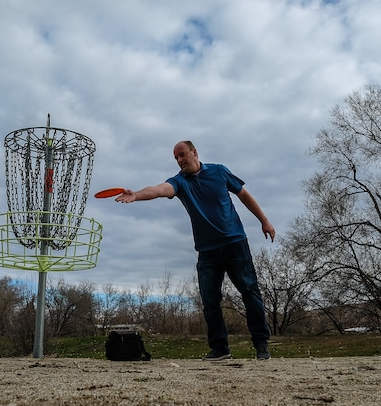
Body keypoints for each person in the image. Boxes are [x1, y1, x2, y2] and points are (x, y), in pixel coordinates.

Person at [115, 140, 275, 360]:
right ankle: (220, 348)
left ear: (194, 153)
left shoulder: (219, 171)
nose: (180, 160)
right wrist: (137, 195)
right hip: (207, 251)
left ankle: (261, 345)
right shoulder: (180, 182)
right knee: (209, 300)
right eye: (176, 158)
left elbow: (244, 195)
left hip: (235, 243)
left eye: (182, 155)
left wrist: (264, 221)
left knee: (249, 291)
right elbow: (160, 189)